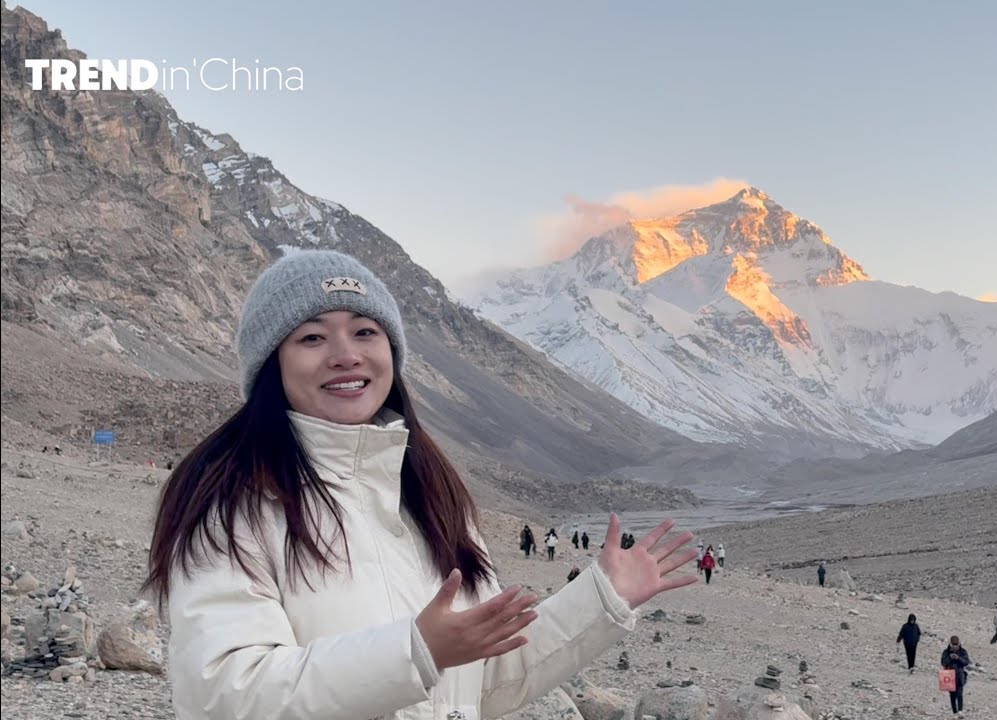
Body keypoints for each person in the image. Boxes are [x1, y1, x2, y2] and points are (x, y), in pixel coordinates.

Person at [143, 250, 702, 720]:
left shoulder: (430, 498)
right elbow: (223, 691)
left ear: (392, 353)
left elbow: (487, 679)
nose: (346, 355)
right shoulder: (234, 504)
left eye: (365, 331)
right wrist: (415, 652)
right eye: (312, 338)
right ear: (272, 364)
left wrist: (601, 600)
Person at [940, 635, 971, 716]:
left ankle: (960, 711)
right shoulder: (946, 652)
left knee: (960, 693)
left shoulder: (963, 651)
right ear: (950, 644)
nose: (954, 646)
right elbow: (943, 662)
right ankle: (955, 712)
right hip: (949, 675)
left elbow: (966, 662)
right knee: (952, 695)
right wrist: (950, 658)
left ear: (959, 644)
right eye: (953, 644)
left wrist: (958, 658)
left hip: (960, 675)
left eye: (956, 644)